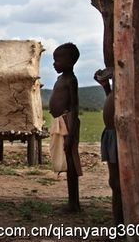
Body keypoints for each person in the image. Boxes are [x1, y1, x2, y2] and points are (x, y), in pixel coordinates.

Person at [49, 42, 82, 212]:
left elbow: (75, 106)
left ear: (70, 61)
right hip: (60, 122)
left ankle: (73, 204)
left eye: (58, 60)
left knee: (71, 163)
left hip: (68, 122)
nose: (54, 64)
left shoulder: (71, 80)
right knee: (66, 161)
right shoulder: (60, 79)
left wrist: (71, 133)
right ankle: (72, 202)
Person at [94, 69, 124, 225]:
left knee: (121, 183)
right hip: (112, 134)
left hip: (125, 138)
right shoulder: (119, 82)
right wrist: (106, 86)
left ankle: (128, 223)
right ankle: (119, 224)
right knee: (115, 182)